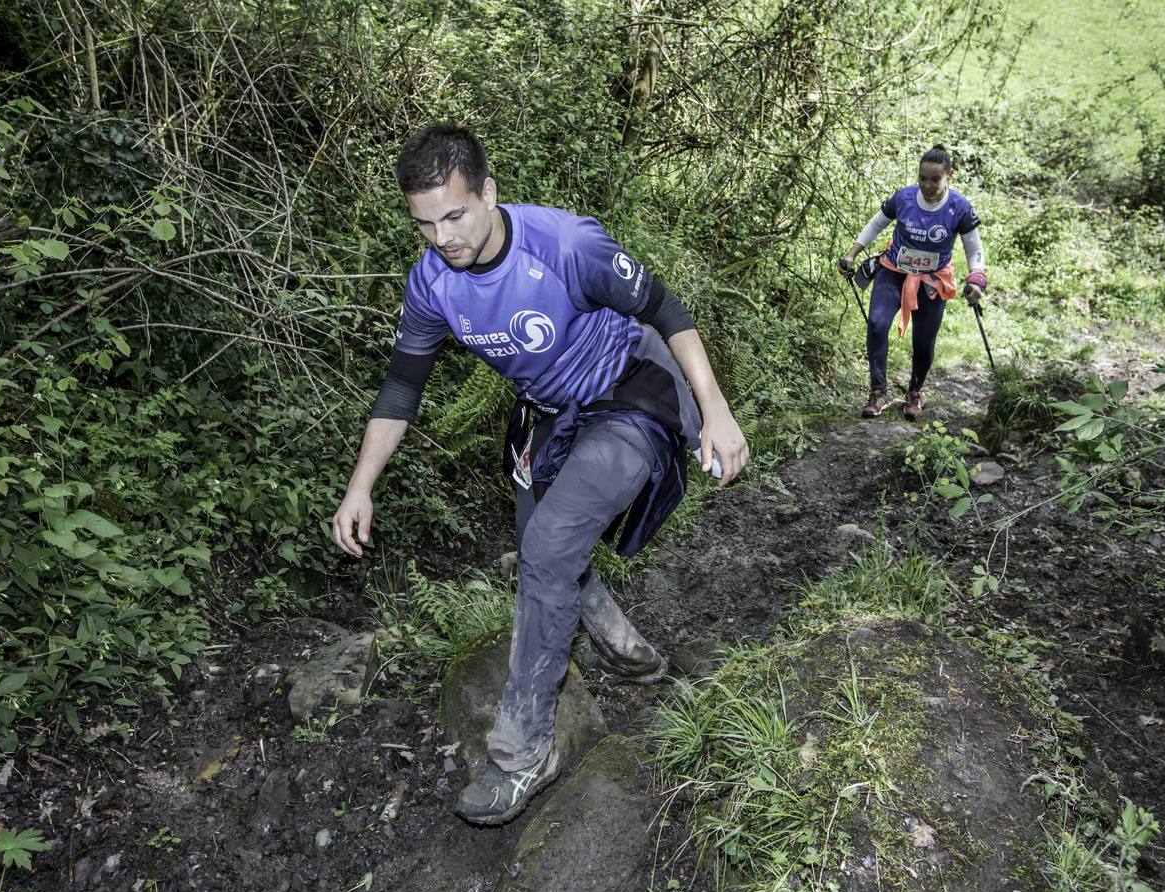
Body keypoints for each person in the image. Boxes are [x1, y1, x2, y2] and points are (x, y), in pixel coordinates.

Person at [330, 123, 748, 825]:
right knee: (541, 549)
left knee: (551, 545)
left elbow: (665, 309)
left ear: (487, 192)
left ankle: (524, 753)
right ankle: (624, 650)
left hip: (630, 390)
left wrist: (716, 411)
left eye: (455, 215)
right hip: (551, 413)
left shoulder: (566, 246)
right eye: (425, 224)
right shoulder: (433, 284)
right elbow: (402, 386)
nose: (443, 238)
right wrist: (359, 485)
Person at [838, 144, 988, 420]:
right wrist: (852, 254)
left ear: (949, 176)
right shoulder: (904, 198)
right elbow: (876, 224)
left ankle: (915, 391)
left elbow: (974, 249)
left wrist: (977, 278)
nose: (927, 185)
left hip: (932, 281)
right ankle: (877, 391)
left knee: (923, 341)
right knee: (877, 323)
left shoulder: (960, 208)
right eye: (922, 178)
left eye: (935, 179)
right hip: (893, 271)